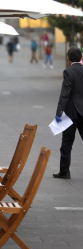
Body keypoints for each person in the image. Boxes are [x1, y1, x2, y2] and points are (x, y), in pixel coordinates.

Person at [53, 47, 83, 180]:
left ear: (68, 59)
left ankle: (64, 171)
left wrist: (59, 113)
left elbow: (65, 94)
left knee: (67, 142)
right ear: (80, 58)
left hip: (71, 112)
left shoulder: (68, 71)